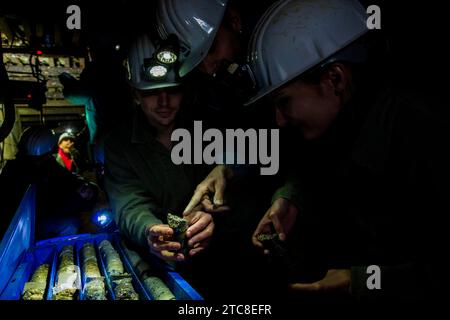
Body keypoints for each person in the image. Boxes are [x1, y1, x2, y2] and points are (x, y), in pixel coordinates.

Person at [185, 0, 448, 301]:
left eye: (284, 103)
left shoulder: (424, 133)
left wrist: (361, 281)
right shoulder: (347, 121)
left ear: (334, 79)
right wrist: (289, 200)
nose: (279, 121)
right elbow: (308, 167)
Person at [104, 34, 214, 266]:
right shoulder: (119, 144)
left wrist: (211, 213)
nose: (164, 102)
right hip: (159, 261)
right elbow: (129, 202)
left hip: (215, 256)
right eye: (152, 92)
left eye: (172, 91)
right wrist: (150, 229)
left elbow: (229, 181)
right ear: (135, 94)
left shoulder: (206, 129)